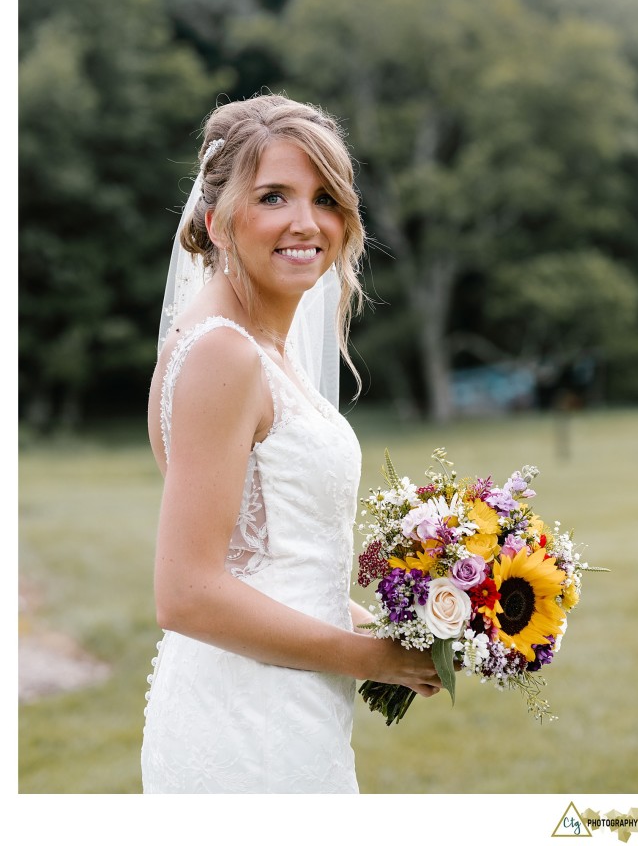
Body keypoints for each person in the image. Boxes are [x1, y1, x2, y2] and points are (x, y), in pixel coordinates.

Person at [141, 93, 441, 794]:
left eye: (326, 198)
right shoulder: (223, 355)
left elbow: (269, 560)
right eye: (273, 196)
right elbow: (185, 593)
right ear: (216, 221)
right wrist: (370, 659)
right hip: (246, 724)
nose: (307, 223)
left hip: (288, 703)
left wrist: (416, 634)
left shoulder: (260, 350)